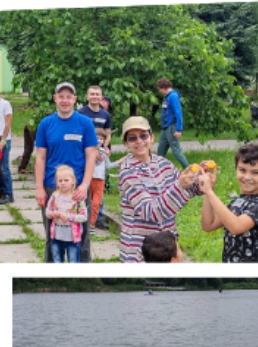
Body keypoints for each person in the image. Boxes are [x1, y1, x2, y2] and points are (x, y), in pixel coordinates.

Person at [117, 116, 198, 262]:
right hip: (140, 250)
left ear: (152, 137)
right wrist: (180, 185)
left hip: (166, 247)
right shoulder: (127, 172)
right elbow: (150, 212)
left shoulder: (164, 164)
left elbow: (187, 188)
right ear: (126, 144)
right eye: (132, 138)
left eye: (143, 135)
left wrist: (200, 181)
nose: (139, 141)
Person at [34, 83, 99, 263]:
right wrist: (39, 188)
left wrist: (85, 185)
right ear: (55, 98)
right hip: (51, 187)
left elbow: (91, 156)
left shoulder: (85, 123)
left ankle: (84, 268)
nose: (65, 100)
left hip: (78, 189)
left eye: (68, 97)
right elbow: (39, 158)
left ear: (75, 100)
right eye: (61, 96)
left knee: (81, 233)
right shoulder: (46, 124)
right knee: (52, 232)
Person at [198, 142, 258, 263]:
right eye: (242, 170)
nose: (247, 177)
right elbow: (208, 225)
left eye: (255, 172)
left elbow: (236, 227)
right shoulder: (237, 202)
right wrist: (210, 189)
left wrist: (209, 192)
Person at [77, 85, 113, 229]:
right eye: (92, 94)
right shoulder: (80, 113)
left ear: (101, 97)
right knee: (85, 186)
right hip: (84, 154)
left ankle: (98, 218)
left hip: (100, 156)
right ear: (87, 96)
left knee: (99, 186)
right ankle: (82, 216)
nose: (94, 97)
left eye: (97, 94)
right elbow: (79, 135)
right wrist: (93, 150)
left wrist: (104, 148)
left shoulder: (105, 115)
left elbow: (108, 133)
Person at [44, 164, 89, 264]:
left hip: (72, 239)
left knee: (73, 261)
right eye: (60, 181)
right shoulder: (55, 196)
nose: (63, 183)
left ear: (73, 181)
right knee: (57, 261)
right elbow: (47, 211)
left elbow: (84, 216)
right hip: (56, 237)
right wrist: (52, 214)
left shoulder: (77, 199)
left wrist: (69, 217)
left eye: (66, 180)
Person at [155, 77, 191, 169]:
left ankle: (189, 170)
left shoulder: (173, 96)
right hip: (165, 128)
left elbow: (178, 113)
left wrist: (178, 129)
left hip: (172, 128)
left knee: (176, 151)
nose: (159, 91)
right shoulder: (167, 97)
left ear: (164, 87)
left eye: (159, 89)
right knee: (160, 151)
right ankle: (159, 171)